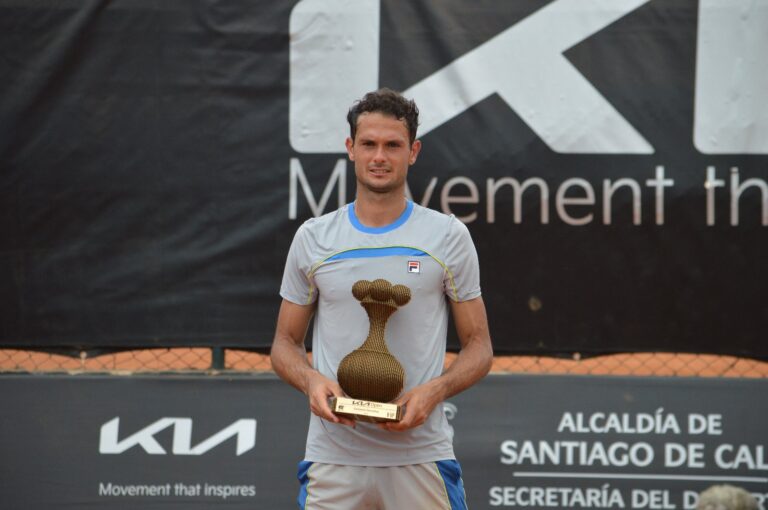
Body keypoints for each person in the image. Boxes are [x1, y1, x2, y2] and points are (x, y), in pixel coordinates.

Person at [271, 88, 493, 509]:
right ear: (350, 148)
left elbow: (479, 347)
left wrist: (435, 391)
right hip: (333, 457)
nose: (379, 156)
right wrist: (311, 380)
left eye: (393, 145)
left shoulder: (447, 236)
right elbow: (284, 343)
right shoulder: (314, 238)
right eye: (369, 144)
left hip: (420, 455)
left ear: (413, 152)